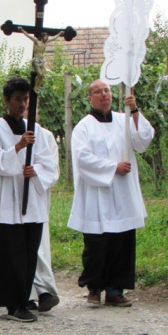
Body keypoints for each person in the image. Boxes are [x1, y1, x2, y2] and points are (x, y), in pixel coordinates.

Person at [68, 80, 154, 307]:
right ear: (90, 98)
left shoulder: (123, 119)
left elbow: (142, 141)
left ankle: (116, 290)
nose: (104, 95)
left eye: (107, 91)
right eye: (98, 92)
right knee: (98, 242)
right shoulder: (84, 127)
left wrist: (134, 111)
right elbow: (82, 158)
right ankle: (94, 288)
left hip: (122, 192)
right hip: (98, 192)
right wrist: (112, 167)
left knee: (122, 241)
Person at [0, 77, 58, 323]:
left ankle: (25, 295)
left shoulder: (34, 128)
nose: (23, 104)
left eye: (26, 99)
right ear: (7, 100)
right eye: (17, 99)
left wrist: (34, 170)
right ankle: (13, 303)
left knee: (28, 251)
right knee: (11, 254)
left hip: (31, 202)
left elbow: (48, 163)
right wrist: (18, 147)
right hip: (7, 200)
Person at [28, 119, 61, 312]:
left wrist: (35, 172)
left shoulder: (46, 136)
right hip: (12, 198)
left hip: (37, 195)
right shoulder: (3, 130)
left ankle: (43, 290)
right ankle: (27, 294)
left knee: (38, 244)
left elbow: (53, 169)